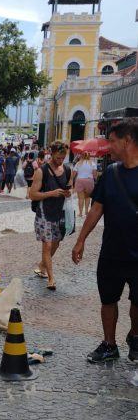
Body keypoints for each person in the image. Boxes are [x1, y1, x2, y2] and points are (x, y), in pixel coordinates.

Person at [72, 119, 138, 364]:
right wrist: (80, 240)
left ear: (127, 141)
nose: (108, 146)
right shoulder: (111, 173)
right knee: (108, 299)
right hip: (112, 251)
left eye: (112, 141)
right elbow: (97, 208)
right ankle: (109, 344)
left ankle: (135, 336)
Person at [29, 140, 73, 291]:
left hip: (60, 212)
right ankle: (51, 278)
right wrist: (51, 193)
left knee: (56, 243)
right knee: (47, 246)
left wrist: (69, 192)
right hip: (44, 213)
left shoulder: (67, 169)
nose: (60, 160)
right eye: (58, 157)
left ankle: (42, 265)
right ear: (52, 154)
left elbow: (70, 187)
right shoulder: (41, 171)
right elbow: (32, 194)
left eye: (63, 158)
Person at [73, 151, 97, 217]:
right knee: (88, 197)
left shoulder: (78, 163)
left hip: (79, 180)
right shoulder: (93, 164)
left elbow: (73, 174)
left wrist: (71, 182)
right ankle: (86, 212)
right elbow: (95, 175)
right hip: (89, 181)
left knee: (80, 198)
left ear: (82, 156)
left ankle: (80, 213)